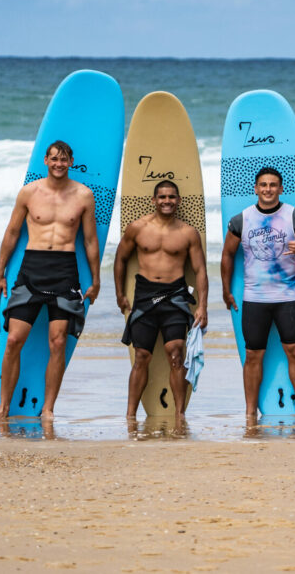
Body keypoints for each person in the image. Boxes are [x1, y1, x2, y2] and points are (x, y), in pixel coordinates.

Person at [0, 140, 99, 422]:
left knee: (58, 341)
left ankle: (48, 409)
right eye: (54, 159)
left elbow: (89, 240)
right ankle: (3, 408)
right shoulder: (29, 192)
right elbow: (12, 233)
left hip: (65, 271)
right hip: (32, 269)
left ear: (71, 162)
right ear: (45, 161)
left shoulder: (84, 195)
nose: (59, 164)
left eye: (64, 160)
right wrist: (0, 272)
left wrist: (96, 278)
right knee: (14, 339)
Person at [221, 167, 295, 419]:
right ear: (255, 188)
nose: (268, 189)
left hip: (288, 297)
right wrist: (225, 290)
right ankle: (249, 412)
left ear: (281, 188)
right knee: (253, 355)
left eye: (273, 185)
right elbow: (227, 254)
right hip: (255, 299)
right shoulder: (241, 220)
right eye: (263, 185)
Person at [114, 180, 208, 421]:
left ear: (178, 200)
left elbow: (200, 270)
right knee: (141, 356)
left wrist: (203, 306)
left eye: (172, 197)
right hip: (144, 297)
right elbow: (120, 259)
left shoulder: (188, 233)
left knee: (176, 354)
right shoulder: (137, 228)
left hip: (174, 297)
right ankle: (130, 415)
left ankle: (179, 414)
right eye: (163, 197)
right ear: (154, 200)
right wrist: (120, 294)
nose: (167, 201)